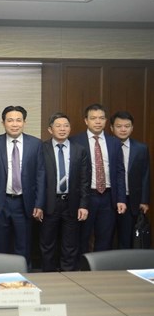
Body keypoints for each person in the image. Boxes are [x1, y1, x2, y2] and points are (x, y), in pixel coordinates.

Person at [0, 106, 45, 265]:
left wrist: (39, 203)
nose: (14, 124)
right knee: (0, 244)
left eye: (18, 120)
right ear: (3, 123)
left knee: (23, 245)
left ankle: (24, 277)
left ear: (24, 122)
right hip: (1, 202)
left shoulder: (35, 143)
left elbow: (41, 175)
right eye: (10, 120)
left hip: (24, 203)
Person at [70, 103, 126, 253]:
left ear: (106, 121)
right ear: (86, 121)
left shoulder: (114, 142)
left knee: (105, 237)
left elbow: (120, 172)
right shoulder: (75, 141)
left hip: (108, 197)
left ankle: (100, 271)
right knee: (82, 236)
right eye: (93, 118)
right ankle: (80, 271)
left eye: (101, 118)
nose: (98, 121)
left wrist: (121, 198)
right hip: (86, 197)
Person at [40, 113, 90, 272]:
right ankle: (48, 274)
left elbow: (84, 180)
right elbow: (38, 179)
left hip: (72, 202)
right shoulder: (42, 148)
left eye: (66, 125)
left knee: (70, 244)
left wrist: (83, 205)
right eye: (58, 126)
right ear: (50, 129)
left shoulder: (79, 150)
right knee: (47, 243)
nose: (62, 129)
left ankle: (69, 276)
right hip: (49, 202)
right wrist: (38, 205)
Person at [110, 111, 150, 249]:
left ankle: (124, 267)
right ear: (111, 128)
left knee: (126, 238)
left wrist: (144, 200)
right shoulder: (105, 146)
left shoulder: (141, 148)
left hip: (130, 198)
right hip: (109, 197)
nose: (123, 129)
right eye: (119, 126)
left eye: (127, 126)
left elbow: (145, 174)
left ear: (132, 128)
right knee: (106, 236)